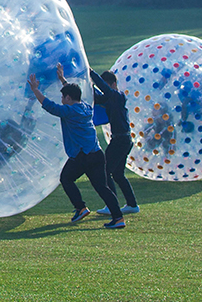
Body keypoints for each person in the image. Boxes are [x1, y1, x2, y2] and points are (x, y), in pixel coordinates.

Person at [28, 71, 125, 229]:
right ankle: (118, 217)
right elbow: (73, 94)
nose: (62, 100)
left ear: (67, 98)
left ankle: (80, 208)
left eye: (63, 97)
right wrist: (63, 80)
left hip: (83, 156)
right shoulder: (86, 107)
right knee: (103, 187)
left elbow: (49, 106)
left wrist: (35, 89)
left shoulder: (69, 111)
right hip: (97, 154)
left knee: (66, 179)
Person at [88, 69, 140, 216]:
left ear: (114, 84)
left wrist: (91, 73)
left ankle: (112, 206)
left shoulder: (118, 96)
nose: (104, 88)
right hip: (121, 139)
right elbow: (97, 98)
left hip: (121, 139)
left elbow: (104, 91)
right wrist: (88, 86)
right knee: (117, 174)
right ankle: (132, 204)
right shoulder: (110, 98)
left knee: (105, 171)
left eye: (106, 85)